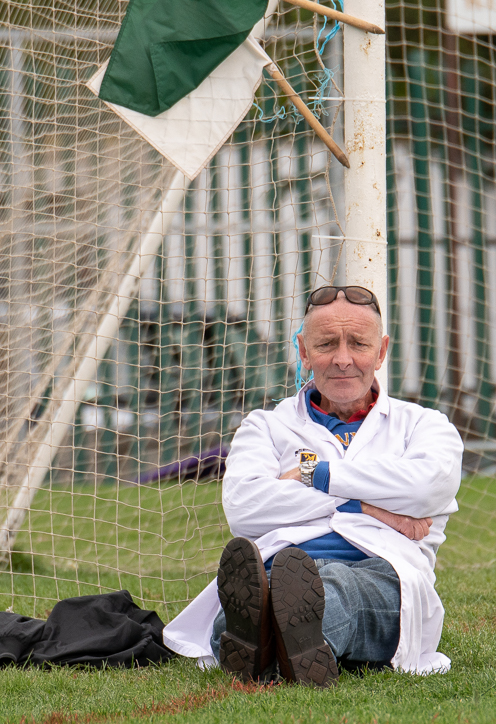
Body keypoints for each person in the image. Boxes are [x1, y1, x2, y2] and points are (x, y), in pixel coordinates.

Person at [163, 285, 463, 686]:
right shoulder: (264, 426)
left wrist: (315, 474)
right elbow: (244, 506)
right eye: (326, 344)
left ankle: (263, 645)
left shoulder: (425, 425)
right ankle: (289, 642)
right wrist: (367, 507)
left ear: (381, 351)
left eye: (358, 343)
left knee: (341, 591)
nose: (343, 359)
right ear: (303, 351)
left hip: (383, 570)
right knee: (268, 588)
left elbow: (430, 487)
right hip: (276, 565)